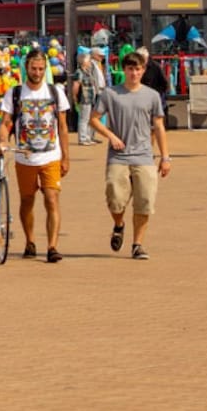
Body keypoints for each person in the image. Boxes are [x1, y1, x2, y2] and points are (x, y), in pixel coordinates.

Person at [87, 49, 170, 260]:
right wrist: (110, 136)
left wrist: (165, 157)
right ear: (124, 70)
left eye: (138, 69)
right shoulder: (111, 94)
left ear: (143, 71)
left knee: (144, 201)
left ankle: (137, 244)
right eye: (130, 69)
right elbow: (94, 119)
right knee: (115, 198)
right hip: (119, 155)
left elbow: (159, 126)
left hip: (144, 155)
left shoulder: (151, 96)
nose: (134, 73)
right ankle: (119, 224)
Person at [0, 50, 72, 262]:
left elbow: (63, 128)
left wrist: (66, 157)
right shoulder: (14, 93)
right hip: (25, 157)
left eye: (41, 69)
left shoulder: (56, 92)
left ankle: (52, 247)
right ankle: (30, 241)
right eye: (33, 68)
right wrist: (3, 141)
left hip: (51, 156)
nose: (37, 73)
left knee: (52, 199)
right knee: (27, 200)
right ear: (26, 68)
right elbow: (5, 123)